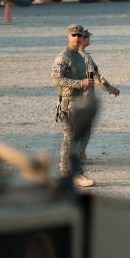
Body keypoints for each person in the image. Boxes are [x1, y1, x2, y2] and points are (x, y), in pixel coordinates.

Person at [51, 24, 96, 187]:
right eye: (73, 35)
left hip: (80, 104)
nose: (76, 38)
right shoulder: (63, 57)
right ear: (68, 37)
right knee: (70, 139)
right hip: (68, 104)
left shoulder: (81, 57)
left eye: (79, 35)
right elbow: (57, 79)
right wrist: (80, 83)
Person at [75, 30, 120, 163]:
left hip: (74, 97)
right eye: (87, 37)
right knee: (85, 127)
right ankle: (80, 155)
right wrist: (111, 89)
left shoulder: (72, 55)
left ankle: (78, 155)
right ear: (81, 39)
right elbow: (96, 78)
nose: (89, 39)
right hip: (84, 97)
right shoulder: (85, 57)